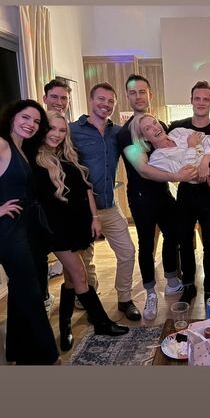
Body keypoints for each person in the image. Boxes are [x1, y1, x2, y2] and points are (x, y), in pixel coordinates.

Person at [34, 111, 129, 351]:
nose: (57, 134)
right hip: (56, 230)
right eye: (52, 128)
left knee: (70, 277)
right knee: (80, 274)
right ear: (43, 129)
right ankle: (102, 322)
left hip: (78, 224)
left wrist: (95, 218)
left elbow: (87, 189)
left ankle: (65, 325)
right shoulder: (34, 159)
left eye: (62, 130)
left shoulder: (67, 155)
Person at [0, 99, 60, 365]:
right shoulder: (0, 143)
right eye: (25, 118)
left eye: (36, 121)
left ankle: (19, 352)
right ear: (12, 117)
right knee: (31, 293)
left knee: (22, 290)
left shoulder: (22, 149)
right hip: (9, 229)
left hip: (28, 228)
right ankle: (48, 358)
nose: (31, 124)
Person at [118, 75, 197, 321]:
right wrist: (176, 176)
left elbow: (174, 153)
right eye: (133, 92)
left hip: (163, 194)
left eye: (142, 91)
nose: (138, 96)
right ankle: (150, 293)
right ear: (128, 96)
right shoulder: (127, 133)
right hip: (141, 198)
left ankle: (172, 280)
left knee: (174, 234)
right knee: (146, 244)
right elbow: (143, 169)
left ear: (150, 95)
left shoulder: (159, 124)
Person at [70, 82, 140, 321]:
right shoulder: (72, 130)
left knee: (127, 252)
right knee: (84, 259)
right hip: (80, 209)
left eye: (111, 101)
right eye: (101, 99)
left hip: (109, 206)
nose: (106, 105)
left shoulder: (117, 132)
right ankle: (90, 302)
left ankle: (125, 299)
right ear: (91, 100)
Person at [169, 81, 210, 306]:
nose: (201, 103)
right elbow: (170, 156)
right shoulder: (178, 128)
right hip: (185, 193)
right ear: (191, 100)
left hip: (208, 193)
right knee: (184, 240)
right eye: (197, 98)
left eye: (205, 99)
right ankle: (189, 285)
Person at [42, 79, 72, 305]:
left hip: (63, 214)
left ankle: (67, 314)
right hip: (40, 217)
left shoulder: (66, 137)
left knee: (76, 270)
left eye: (64, 98)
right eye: (54, 97)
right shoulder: (32, 133)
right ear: (45, 98)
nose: (59, 102)